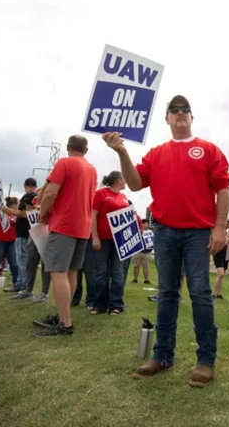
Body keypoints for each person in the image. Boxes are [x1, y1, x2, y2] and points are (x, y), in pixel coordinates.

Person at [103, 93, 229, 388]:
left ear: (192, 117)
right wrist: (121, 151)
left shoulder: (209, 149)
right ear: (167, 119)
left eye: (185, 109)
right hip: (164, 232)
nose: (180, 112)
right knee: (166, 294)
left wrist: (219, 227)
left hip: (199, 232)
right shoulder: (157, 153)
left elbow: (223, 189)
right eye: (174, 110)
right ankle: (162, 356)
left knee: (200, 293)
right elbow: (135, 183)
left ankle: (205, 360)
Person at [32, 135, 97, 337]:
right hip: (83, 226)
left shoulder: (64, 163)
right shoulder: (92, 169)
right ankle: (63, 315)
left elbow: (51, 193)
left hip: (64, 224)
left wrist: (42, 213)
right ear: (86, 150)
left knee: (57, 272)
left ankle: (65, 324)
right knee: (71, 272)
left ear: (68, 147)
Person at [90, 171, 131, 315]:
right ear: (118, 180)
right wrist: (95, 236)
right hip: (103, 239)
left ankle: (116, 305)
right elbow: (93, 215)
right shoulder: (101, 193)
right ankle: (99, 304)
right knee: (101, 272)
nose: (126, 182)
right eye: (124, 179)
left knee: (118, 272)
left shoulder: (124, 197)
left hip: (119, 241)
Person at [212, 221, 229, 300]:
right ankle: (213, 293)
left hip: (226, 255)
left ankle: (218, 293)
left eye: (227, 223)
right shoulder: (217, 232)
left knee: (222, 275)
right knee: (221, 274)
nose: (226, 224)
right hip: (218, 255)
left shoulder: (228, 234)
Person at [131, 219, 153, 284]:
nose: (147, 225)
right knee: (136, 266)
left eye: (148, 223)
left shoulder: (150, 231)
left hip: (147, 251)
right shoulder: (136, 230)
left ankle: (146, 280)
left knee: (146, 267)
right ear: (142, 224)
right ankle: (135, 279)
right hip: (137, 251)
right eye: (146, 223)